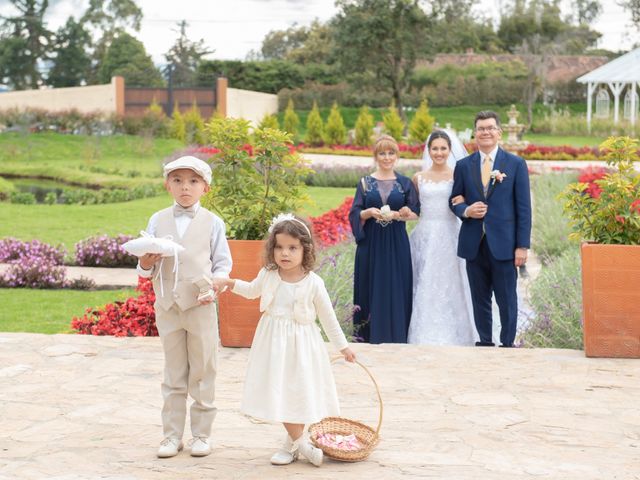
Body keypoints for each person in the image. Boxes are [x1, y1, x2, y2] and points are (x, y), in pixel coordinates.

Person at [217, 214, 356, 467]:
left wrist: (343, 346)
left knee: (298, 391)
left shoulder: (314, 283)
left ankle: (291, 444)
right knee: (279, 389)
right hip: (273, 344)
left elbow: (328, 318)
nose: (285, 253)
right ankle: (300, 442)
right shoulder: (269, 274)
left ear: (306, 249)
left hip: (303, 345)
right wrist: (229, 282)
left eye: (293, 248)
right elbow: (250, 291)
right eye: (279, 247)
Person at [136, 156, 232, 458]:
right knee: (173, 371)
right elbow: (145, 267)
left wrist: (215, 285)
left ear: (205, 187)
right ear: (168, 185)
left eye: (192, 181)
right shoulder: (157, 220)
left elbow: (222, 263)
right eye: (177, 181)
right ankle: (171, 435)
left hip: (200, 305)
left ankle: (201, 434)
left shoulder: (213, 223)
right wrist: (144, 262)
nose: (185, 187)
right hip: (167, 305)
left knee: (204, 368)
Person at [449, 111, 532, 348]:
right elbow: (454, 199)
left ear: (499, 132)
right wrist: (466, 210)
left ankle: (507, 343)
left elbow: (524, 209)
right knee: (480, 297)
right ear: (475, 133)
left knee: (507, 299)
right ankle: (485, 342)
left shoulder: (515, 164)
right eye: (481, 129)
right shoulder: (464, 166)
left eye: (490, 128)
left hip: (504, 244)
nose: (485, 132)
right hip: (474, 242)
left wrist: (522, 245)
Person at [407, 130, 477, 345]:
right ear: (428, 151)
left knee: (453, 282)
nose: (439, 153)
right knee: (425, 280)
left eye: (443, 148)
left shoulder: (458, 174)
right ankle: (423, 333)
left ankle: (460, 333)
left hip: (450, 234)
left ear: (450, 150)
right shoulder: (418, 178)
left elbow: (462, 203)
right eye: (434, 148)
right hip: (425, 235)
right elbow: (414, 209)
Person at [349, 135, 420, 343]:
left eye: (391, 153)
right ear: (375, 156)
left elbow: (416, 212)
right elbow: (355, 213)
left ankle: (397, 333)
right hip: (371, 242)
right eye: (382, 153)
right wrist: (368, 213)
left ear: (397, 156)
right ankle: (367, 334)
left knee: (397, 284)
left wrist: (402, 213)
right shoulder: (365, 183)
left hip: (396, 241)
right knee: (370, 283)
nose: (387, 157)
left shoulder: (405, 183)